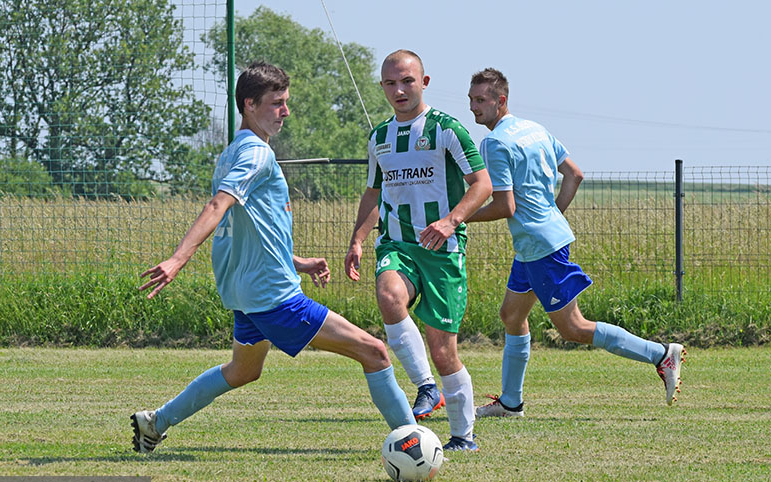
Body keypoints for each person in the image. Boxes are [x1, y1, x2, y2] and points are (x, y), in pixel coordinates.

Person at [130, 61, 415, 453]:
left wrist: (296, 261)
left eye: (286, 102)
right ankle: (415, 443)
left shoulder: (231, 153)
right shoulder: (256, 155)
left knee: (243, 370)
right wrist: (179, 258)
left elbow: (249, 231)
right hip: (273, 297)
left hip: (247, 294)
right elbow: (218, 206)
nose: (286, 112)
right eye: (277, 103)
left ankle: (155, 422)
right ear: (249, 105)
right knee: (374, 351)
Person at [465, 68, 686, 418]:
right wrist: (553, 214)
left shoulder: (494, 143)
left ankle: (660, 354)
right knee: (511, 315)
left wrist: (456, 218)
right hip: (538, 242)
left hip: (541, 247)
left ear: (500, 100)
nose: (474, 108)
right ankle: (511, 403)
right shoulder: (534, 129)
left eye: (480, 100)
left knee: (574, 328)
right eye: (471, 100)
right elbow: (575, 173)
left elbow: (504, 206)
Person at [344, 50, 492, 451]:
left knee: (444, 351)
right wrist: (358, 239)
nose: (399, 90)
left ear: (423, 83)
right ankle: (426, 385)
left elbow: (482, 184)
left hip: (443, 249)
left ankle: (464, 436)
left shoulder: (446, 129)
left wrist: (451, 221)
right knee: (389, 295)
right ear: (383, 87)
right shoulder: (379, 138)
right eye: (391, 83)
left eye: (407, 81)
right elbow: (374, 192)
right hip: (397, 244)